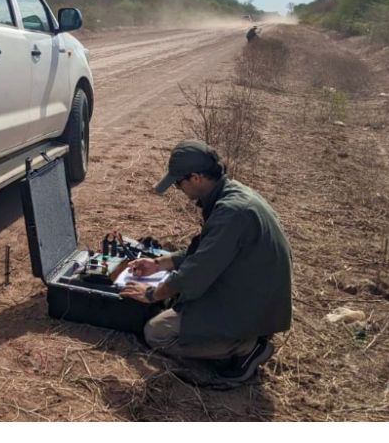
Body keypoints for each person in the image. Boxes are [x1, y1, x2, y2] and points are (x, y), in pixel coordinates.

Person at [121, 140, 292, 383]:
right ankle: (243, 335)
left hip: (253, 305)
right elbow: (204, 252)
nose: (179, 189)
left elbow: (197, 273)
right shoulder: (232, 195)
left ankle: (247, 347)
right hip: (255, 296)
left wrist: (151, 294)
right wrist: (158, 264)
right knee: (177, 299)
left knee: (156, 333)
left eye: (178, 183)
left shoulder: (231, 212)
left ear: (196, 178)